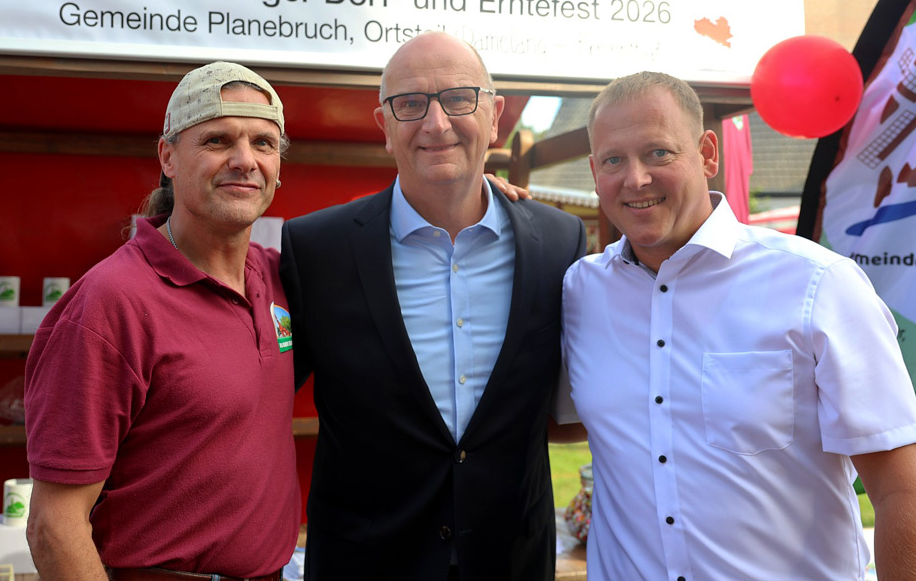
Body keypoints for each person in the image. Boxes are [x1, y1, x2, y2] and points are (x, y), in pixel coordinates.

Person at [562, 70, 916, 581]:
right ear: (595, 172)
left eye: (658, 153)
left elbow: (900, 489)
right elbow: (554, 420)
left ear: (707, 153)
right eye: (614, 160)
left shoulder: (818, 284)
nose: (635, 178)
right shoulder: (581, 292)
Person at [280, 31, 587, 580]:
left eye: (458, 99)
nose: (436, 123)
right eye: (411, 103)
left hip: (511, 561)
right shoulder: (316, 250)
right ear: (385, 127)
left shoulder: (558, 244)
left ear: (495, 117)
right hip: (365, 564)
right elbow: (256, 400)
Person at [24, 62, 300, 581]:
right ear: (168, 156)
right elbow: (53, 524)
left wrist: (482, 200)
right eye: (218, 140)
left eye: (264, 144)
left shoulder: (278, 277)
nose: (245, 161)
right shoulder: (111, 302)